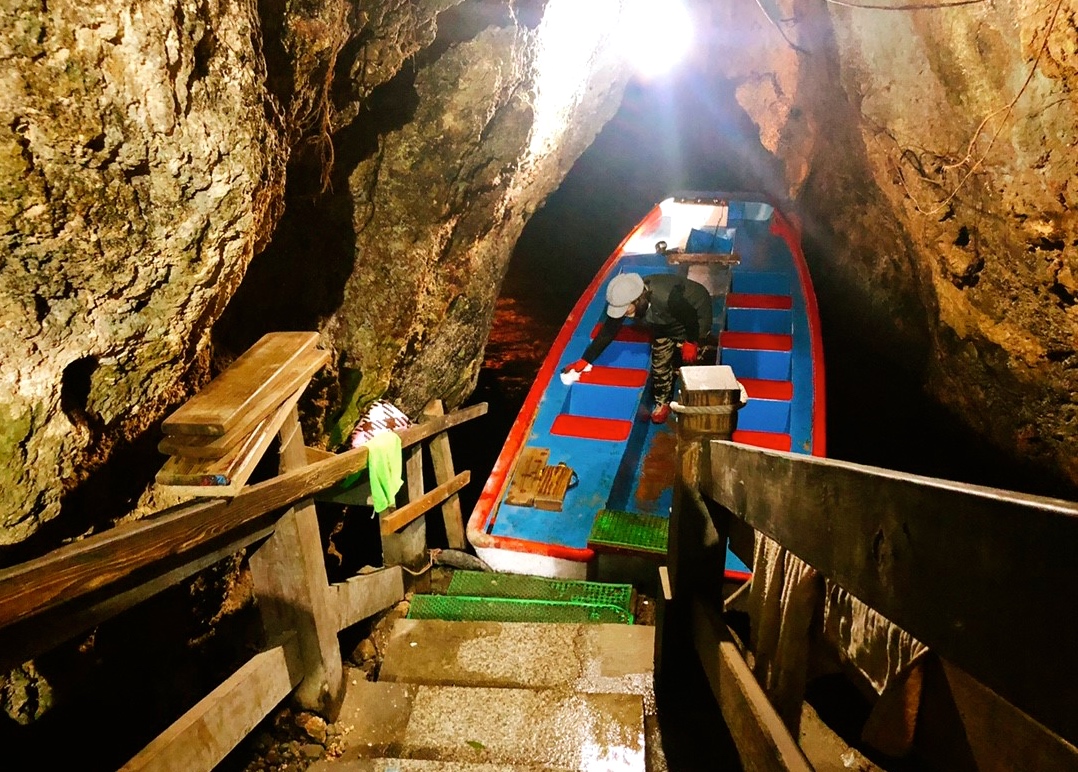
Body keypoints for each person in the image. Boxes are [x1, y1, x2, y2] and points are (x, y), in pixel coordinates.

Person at [562, 271, 713, 424]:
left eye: (624, 310)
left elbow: (690, 318)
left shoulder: (669, 297)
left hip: (694, 313)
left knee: (694, 357)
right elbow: (607, 332)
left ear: (638, 300)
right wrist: (585, 359)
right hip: (663, 322)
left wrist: (691, 342)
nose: (622, 314)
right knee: (659, 363)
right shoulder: (626, 300)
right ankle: (663, 402)